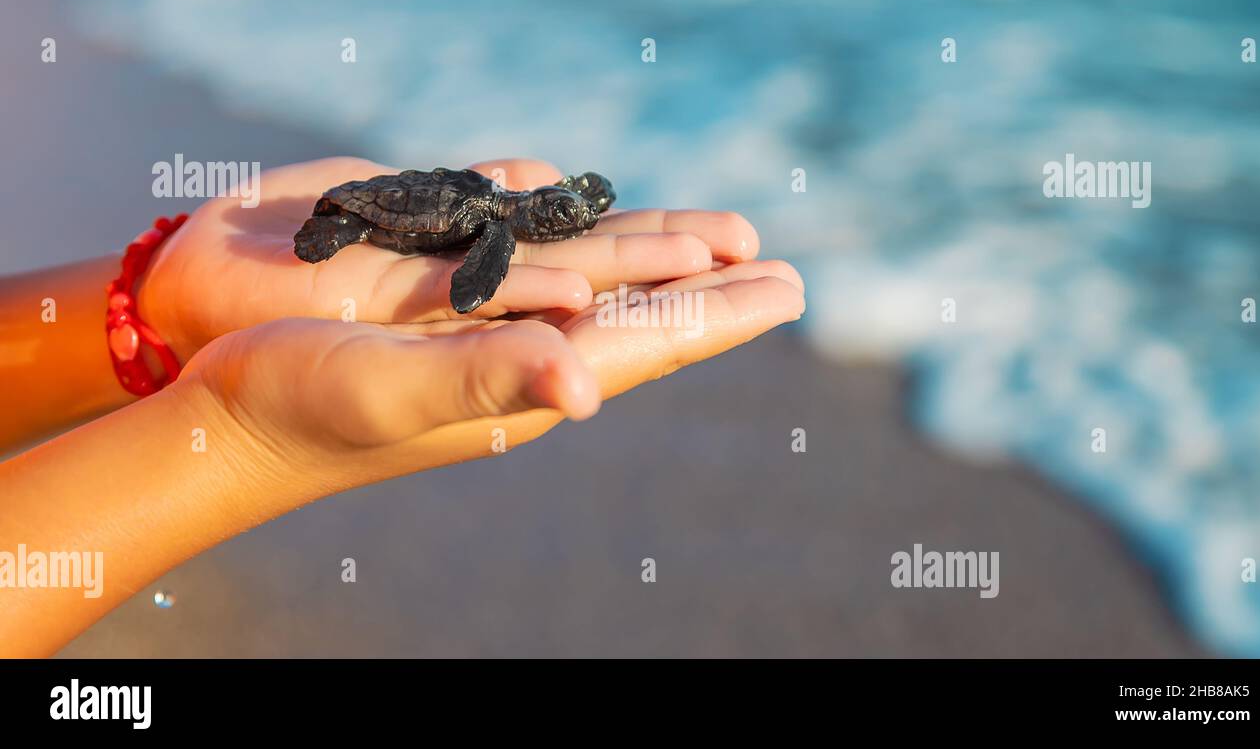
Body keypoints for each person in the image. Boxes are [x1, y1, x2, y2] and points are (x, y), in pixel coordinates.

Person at [0, 157, 805, 656]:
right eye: (557, 216)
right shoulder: (486, 223)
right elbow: (470, 265)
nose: (562, 222)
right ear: (525, 221)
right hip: (383, 209)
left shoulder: (500, 209)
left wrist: (157, 300)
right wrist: (242, 438)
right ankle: (334, 227)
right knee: (345, 229)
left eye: (567, 215)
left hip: (435, 202)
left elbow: (555, 204)